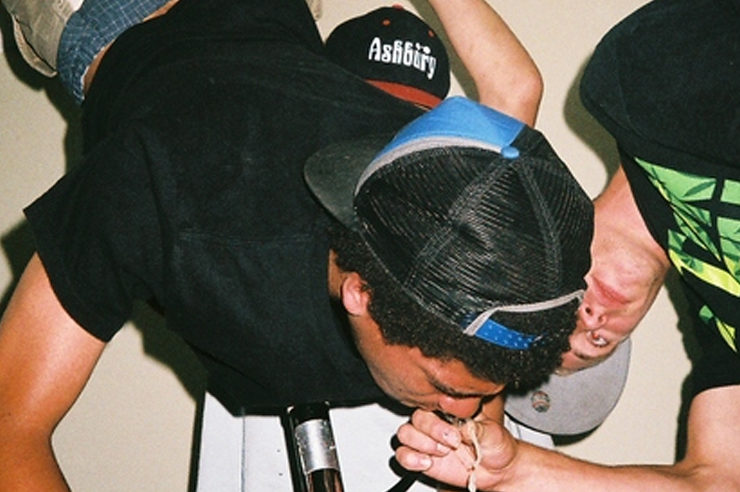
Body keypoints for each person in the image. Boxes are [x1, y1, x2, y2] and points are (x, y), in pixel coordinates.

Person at [0, 0, 597, 490]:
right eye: (449, 389)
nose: (464, 412)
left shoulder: (421, 183)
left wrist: (493, 427)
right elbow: (9, 430)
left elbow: (517, 94)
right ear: (362, 294)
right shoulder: (164, 197)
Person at [394, 0, 740, 490]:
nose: (592, 321)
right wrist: (516, 471)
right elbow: (718, 481)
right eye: (598, 343)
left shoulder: (639, 83)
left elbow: (514, 89)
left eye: (566, 319)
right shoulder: (720, 327)